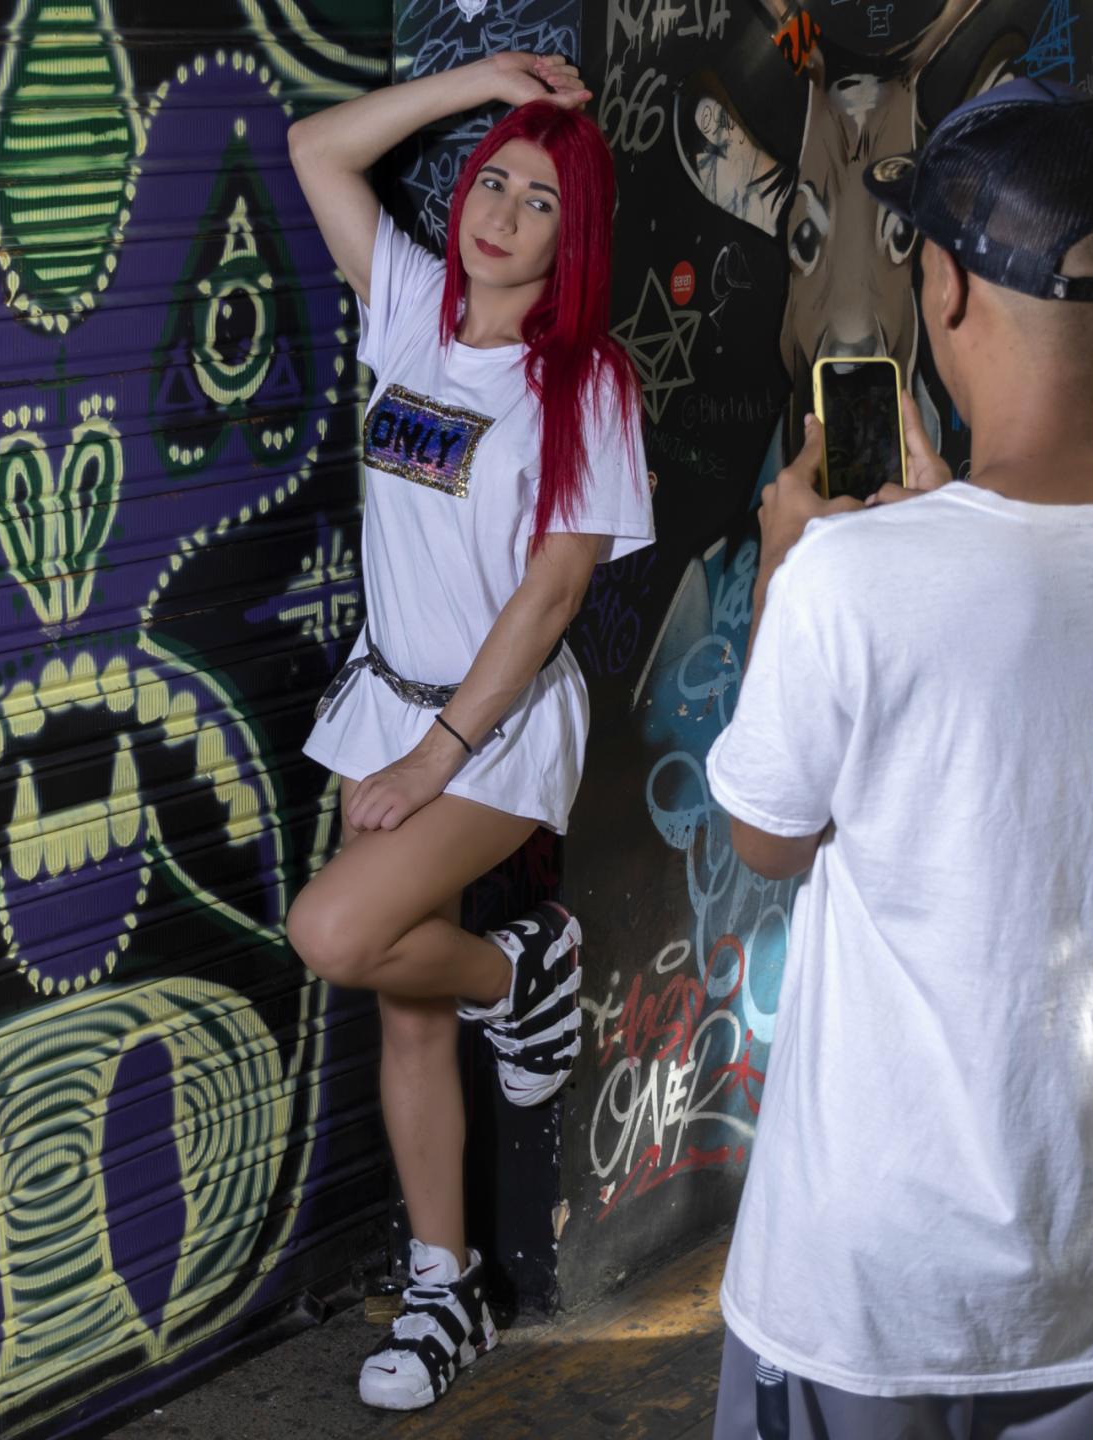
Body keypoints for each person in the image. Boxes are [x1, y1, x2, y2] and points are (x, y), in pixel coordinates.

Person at [704, 78, 1093, 1439]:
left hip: (866, 1291)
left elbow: (768, 836)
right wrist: (946, 540)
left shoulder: (852, 580)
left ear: (943, 290)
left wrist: (790, 572)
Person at [282, 52, 654, 1413]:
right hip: (386, 700)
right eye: (491, 182)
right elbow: (317, 148)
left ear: (573, 238)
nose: (500, 213)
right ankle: (447, 1287)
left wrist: (433, 757)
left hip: (493, 733)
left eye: (539, 200)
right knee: (400, 998)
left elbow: (552, 595)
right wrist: (479, 85)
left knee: (335, 930)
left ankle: (514, 972)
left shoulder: (585, 385)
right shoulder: (409, 311)